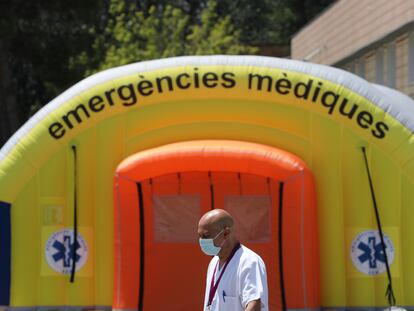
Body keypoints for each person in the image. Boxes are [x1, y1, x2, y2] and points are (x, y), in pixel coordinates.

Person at [198, 209, 269, 311]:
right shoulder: (213, 263)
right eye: (200, 236)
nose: (202, 241)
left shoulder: (249, 261)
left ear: (226, 233)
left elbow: (254, 305)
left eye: (206, 236)